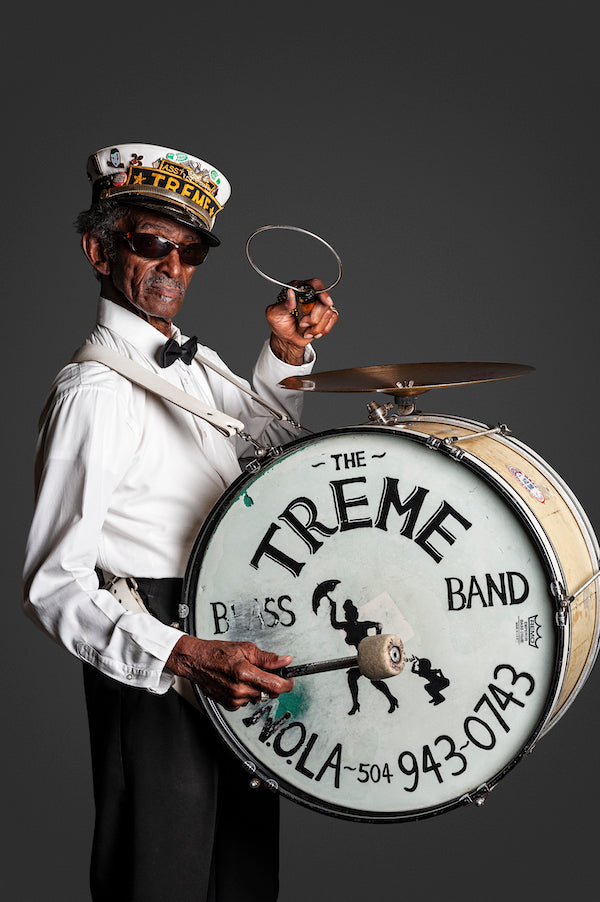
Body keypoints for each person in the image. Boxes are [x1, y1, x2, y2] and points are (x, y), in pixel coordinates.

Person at [22, 142, 339, 902]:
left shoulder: (195, 365)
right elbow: (53, 586)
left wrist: (286, 351)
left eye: (190, 251)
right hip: (161, 651)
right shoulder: (92, 394)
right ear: (100, 250)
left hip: (233, 637)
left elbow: (268, 454)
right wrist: (185, 653)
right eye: (150, 243)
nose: (172, 266)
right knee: (159, 875)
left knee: (241, 872)